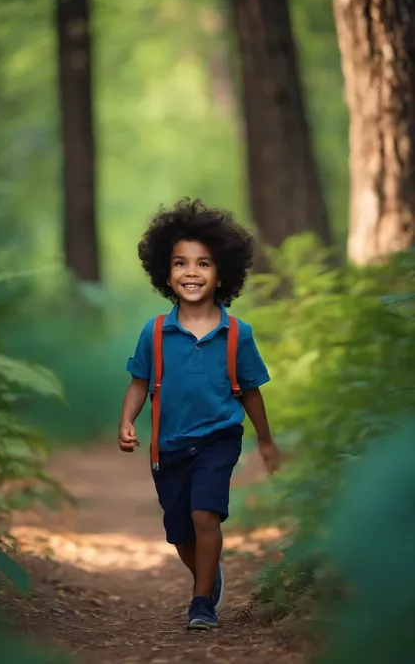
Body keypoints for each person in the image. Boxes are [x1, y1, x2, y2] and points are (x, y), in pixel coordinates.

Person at [118, 198, 281, 630]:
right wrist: (127, 420)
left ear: (221, 272)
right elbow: (138, 382)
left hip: (219, 437)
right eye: (180, 263)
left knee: (204, 514)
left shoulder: (236, 334)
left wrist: (264, 439)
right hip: (167, 443)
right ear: (165, 273)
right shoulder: (154, 332)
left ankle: (201, 602)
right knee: (181, 532)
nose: (191, 272)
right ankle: (208, 575)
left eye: (203, 264)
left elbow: (250, 392)